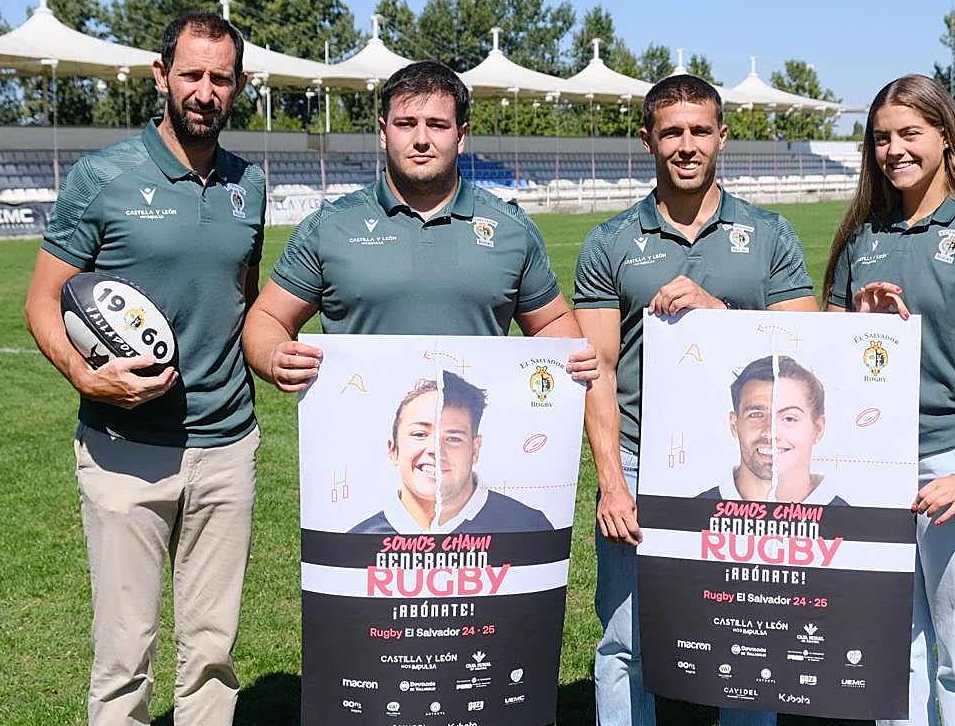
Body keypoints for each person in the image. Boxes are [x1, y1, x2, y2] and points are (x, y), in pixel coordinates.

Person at [23, 12, 264, 725]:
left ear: (238, 86)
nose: (204, 91)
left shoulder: (249, 184)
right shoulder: (103, 177)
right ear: (162, 77)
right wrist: (83, 374)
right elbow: (41, 300)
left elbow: (241, 301)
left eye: (220, 78)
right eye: (191, 75)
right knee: (124, 654)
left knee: (213, 652)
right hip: (124, 449)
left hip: (228, 445)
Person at [573, 75, 818, 726]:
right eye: (672, 131)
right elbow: (595, 367)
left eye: (700, 131)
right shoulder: (611, 241)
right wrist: (609, 483)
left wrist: (722, 314)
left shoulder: (768, 235)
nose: (687, 145)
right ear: (648, 138)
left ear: (722, 136)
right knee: (626, 637)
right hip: (637, 460)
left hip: (744, 465)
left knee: (747, 630)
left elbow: (807, 350)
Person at [824, 74, 955, 726]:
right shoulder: (862, 235)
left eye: (910, 133)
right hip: (874, 471)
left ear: (945, 136)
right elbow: (830, 361)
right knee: (889, 656)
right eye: (882, 137)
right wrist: (861, 323)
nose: (895, 149)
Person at [241, 59, 595, 416]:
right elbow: (267, 317)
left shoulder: (510, 228)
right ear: (383, 131)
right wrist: (274, 355)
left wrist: (570, 355)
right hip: (357, 449)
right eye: (406, 124)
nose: (421, 139)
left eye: (438, 125)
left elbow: (551, 322)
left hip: (473, 450)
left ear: (460, 135)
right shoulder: (331, 226)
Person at [350, 370, 554, 534]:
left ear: (475, 450)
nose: (435, 450)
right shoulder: (359, 540)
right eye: (420, 434)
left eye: (453, 438)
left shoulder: (528, 526)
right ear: (393, 449)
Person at [696, 354, 846, 505]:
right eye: (756, 415)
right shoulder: (693, 514)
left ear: (818, 429)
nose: (769, 433)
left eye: (789, 418)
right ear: (735, 425)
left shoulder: (849, 522)